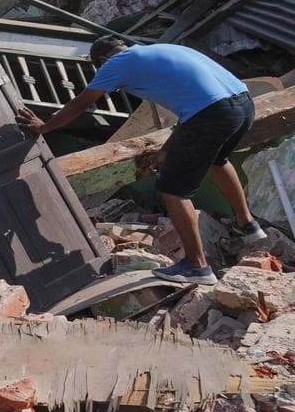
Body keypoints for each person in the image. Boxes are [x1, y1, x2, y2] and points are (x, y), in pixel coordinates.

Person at [16, 36, 266, 286]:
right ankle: (248, 226)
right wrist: (168, 148)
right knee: (218, 160)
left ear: (103, 60)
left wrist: (46, 126)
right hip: (242, 105)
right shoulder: (164, 50)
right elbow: (193, 104)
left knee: (173, 190)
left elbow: (82, 102)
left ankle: (197, 267)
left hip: (212, 114)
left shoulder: (116, 63)